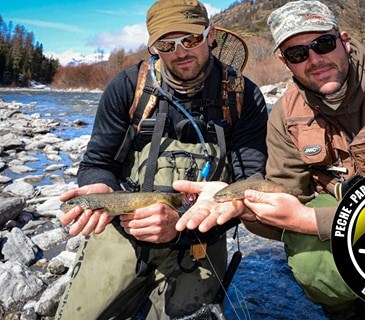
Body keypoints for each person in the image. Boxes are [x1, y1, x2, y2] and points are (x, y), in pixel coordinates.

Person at [174, 1, 365, 320]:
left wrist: (308, 221)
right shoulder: (286, 113)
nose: (315, 60)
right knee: (310, 262)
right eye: (298, 53)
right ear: (285, 61)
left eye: (324, 44)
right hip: (342, 223)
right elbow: (287, 197)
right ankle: (349, 312)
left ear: (343, 41)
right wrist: (240, 202)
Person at [54, 0, 268, 319]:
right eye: (167, 44)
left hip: (202, 234)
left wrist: (182, 228)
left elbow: (250, 186)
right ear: (154, 47)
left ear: (210, 36)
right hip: (124, 228)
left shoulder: (242, 97)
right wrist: (98, 187)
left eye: (191, 39)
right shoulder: (128, 87)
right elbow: (97, 163)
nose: (180, 52)